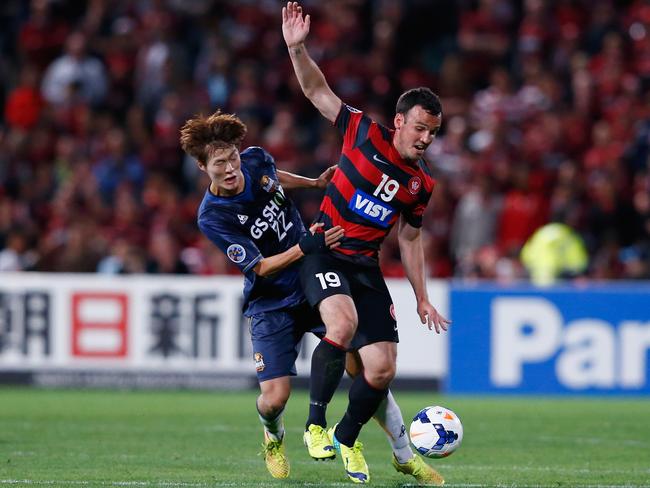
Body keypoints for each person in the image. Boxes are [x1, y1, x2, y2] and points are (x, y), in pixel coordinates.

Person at [282, 2, 450, 485]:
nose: (425, 139)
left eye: (433, 133)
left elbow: (411, 238)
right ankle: (314, 423)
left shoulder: (421, 185)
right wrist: (297, 49)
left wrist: (421, 295)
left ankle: (347, 435)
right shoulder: (361, 132)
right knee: (342, 321)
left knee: (381, 370)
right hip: (323, 252)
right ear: (399, 121)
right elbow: (317, 90)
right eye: (420, 128)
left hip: (365, 266)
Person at [180, 109, 344, 479]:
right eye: (220, 162)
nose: (230, 167)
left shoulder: (255, 159)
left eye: (232, 157)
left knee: (354, 351)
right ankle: (273, 436)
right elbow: (262, 267)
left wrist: (314, 184)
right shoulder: (213, 216)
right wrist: (306, 245)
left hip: (309, 279)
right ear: (204, 168)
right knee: (275, 399)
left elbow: (274, 178)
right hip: (271, 301)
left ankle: (342, 433)